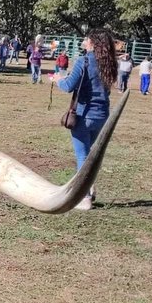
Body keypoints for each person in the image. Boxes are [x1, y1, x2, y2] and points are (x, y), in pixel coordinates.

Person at [51, 28, 118, 210]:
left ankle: (85, 197)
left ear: (93, 42)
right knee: (89, 154)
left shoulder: (84, 61)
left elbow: (68, 86)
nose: (84, 42)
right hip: (102, 116)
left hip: (83, 115)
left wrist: (58, 79)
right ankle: (90, 187)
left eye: (86, 39)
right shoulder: (109, 63)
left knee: (83, 156)